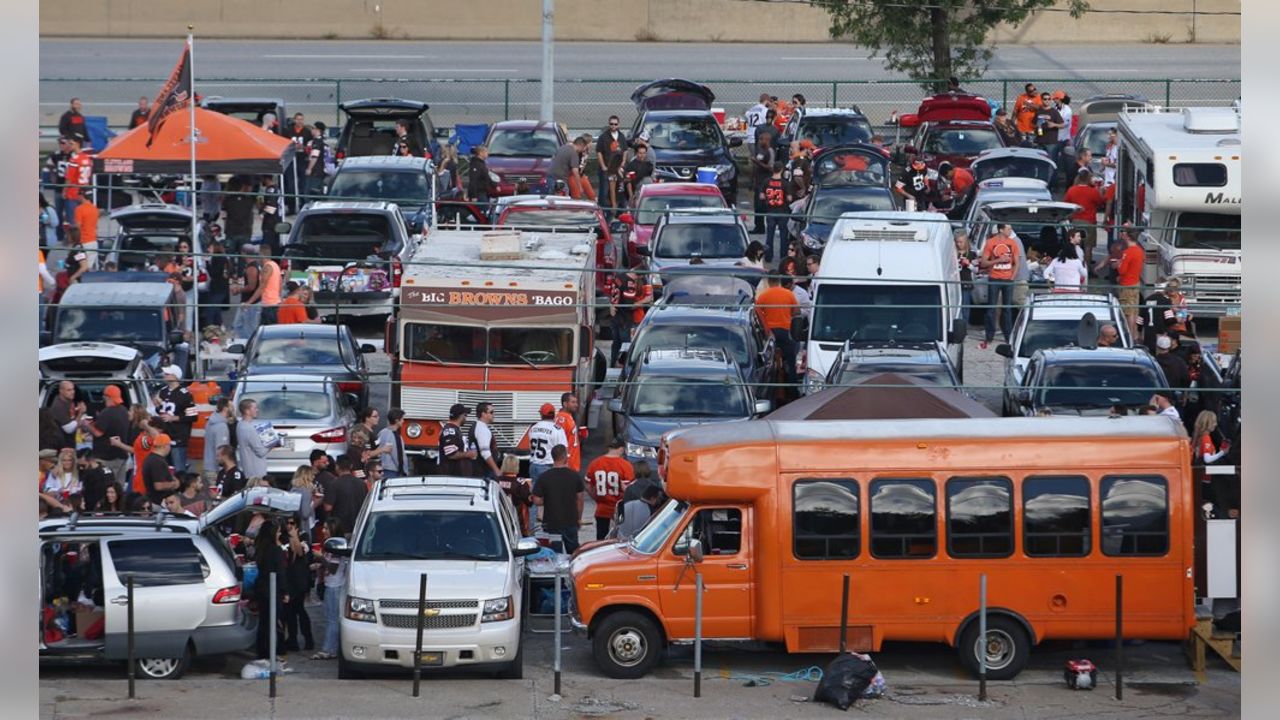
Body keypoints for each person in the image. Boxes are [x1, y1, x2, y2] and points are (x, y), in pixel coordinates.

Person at [531, 445, 585, 554]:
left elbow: (536, 500)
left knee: (553, 554)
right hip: (570, 521)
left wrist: (549, 500)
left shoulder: (544, 477)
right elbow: (580, 499)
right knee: (574, 553)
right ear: (566, 457)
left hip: (551, 523)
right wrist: (578, 518)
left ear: (552, 457)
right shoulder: (574, 476)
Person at [979, 223, 1021, 349]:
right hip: (994, 278)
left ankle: (1008, 336)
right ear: (1001, 230)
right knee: (991, 307)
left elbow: (1017, 262)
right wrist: (998, 260)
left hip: (1008, 279)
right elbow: (984, 262)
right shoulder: (990, 242)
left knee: (1007, 309)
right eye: (1008, 229)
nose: (1010, 231)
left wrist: (1012, 277)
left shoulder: (1013, 243)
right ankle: (989, 335)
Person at [585, 438, 635, 541]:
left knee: (600, 540)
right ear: (621, 449)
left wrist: (596, 498)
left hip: (601, 508)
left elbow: (588, 485)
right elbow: (629, 489)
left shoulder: (595, 463)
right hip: (619, 509)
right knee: (618, 540)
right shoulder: (625, 465)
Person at [252, 518, 288, 663]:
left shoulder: (261, 549)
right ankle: (272, 652)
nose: (279, 535)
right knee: (273, 623)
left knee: (264, 623)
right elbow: (280, 572)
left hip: (262, 589)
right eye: (278, 532)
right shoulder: (275, 550)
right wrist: (285, 591)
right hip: (272, 590)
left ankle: (263, 652)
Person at [312, 516, 347, 660]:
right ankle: (332, 648)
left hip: (335, 586)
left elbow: (333, 568)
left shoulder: (336, 548)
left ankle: (328, 649)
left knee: (333, 619)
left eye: (326, 528)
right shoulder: (331, 546)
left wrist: (320, 557)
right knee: (330, 618)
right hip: (330, 585)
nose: (324, 531)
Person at [756, 274, 800, 385]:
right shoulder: (789, 294)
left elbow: (757, 312)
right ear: (779, 281)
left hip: (770, 333)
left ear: (769, 282)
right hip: (786, 331)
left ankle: (774, 386)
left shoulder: (763, 296)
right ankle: (792, 388)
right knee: (791, 360)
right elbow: (797, 312)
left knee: (770, 362)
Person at [281, 516, 316, 652]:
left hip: (300, 580)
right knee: (289, 611)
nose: (289, 525)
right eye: (287, 523)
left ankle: (308, 639)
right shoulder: (283, 537)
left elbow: (299, 552)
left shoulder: (304, 536)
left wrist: (294, 536)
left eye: (292, 523)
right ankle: (293, 640)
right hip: (289, 579)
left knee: (300, 610)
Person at [153, 365, 196, 474]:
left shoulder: (185, 394)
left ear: (175, 376)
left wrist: (174, 418)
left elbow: (193, 416)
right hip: (164, 436)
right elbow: (161, 412)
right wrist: (158, 406)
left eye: (167, 374)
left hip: (178, 437)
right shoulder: (162, 391)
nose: (164, 375)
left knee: (178, 469)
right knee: (164, 468)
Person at [84, 385, 131, 480]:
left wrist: (86, 425)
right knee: (118, 488)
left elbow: (98, 433)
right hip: (121, 456)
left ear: (107, 397)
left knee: (106, 486)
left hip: (107, 457)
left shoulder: (107, 412)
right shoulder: (124, 410)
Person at [1064, 169, 1104, 264]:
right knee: (1088, 247)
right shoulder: (1092, 191)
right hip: (1089, 222)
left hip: (1075, 221)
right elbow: (1101, 202)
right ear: (1088, 179)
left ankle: (1073, 264)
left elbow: (1066, 203)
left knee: (1074, 245)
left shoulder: (1071, 190)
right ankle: (1086, 268)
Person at [1115, 224, 1145, 339]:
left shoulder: (1127, 252)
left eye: (1124, 233)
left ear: (1127, 236)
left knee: (1128, 312)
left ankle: (1129, 335)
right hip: (1135, 282)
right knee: (1134, 310)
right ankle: (1135, 334)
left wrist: (1118, 264)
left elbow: (1122, 270)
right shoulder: (1139, 251)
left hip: (1126, 284)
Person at [325, 455, 368, 534]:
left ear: (337, 467)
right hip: (359, 527)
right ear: (351, 466)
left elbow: (328, 507)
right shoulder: (362, 484)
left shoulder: (334, 484)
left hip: (341, 529)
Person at [527, 403, 567, 485]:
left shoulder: (533, 428)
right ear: (554, 414)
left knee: (535, 493)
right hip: (548, 466)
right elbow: (563, 451)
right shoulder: (558, 429)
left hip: (533, 465)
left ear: (541, 414)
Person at [609, 266, 641, 367]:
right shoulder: (630, 284)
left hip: (615, 317)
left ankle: (612, 364)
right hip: (624, 319)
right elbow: (629, 306)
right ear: (638, 276)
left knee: (616, 344)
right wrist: (645, 301)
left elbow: (613, 295)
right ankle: (625, 367)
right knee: (625, 346)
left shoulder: (618, 277)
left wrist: (611, 305)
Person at [596, 115, 628, 209]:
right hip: (607, 168)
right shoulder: (603, 137)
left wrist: (623, 162)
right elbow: (599, 152)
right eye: (611, 124)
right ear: (609, 124)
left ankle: (617, 210)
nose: (613, 126)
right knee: (604, 191)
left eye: (615, 124)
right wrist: (603, 166)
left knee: (619, 189)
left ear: (618, 125)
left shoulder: (621, 136)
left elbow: (625, 150)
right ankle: (603, 210)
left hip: (617, 169)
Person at [236, 398, 272, 482]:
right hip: (256, 472)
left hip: (248, 469)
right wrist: (273, 444)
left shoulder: (240, 424)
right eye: (255, 408)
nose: (257, 410)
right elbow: (261, 452)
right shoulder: (249, 429)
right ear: (247, 411)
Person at [762, 162, 791, 263]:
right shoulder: (785, 183)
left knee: (769, 236)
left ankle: (768, 257)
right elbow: (789, 198)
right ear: (782, 170)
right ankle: (783, 257)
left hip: (770, 211)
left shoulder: (766, 182)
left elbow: (761, 196)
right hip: (783, 212)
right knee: (783, 236)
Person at [549, 136, 593, 200]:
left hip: (550, 176)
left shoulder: (563, 147)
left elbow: (553, 159)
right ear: (581, 145)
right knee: (564, 199)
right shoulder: (574, 153)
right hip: (561, 178)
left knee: (553, 198)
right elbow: (575, 171)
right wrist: (579, 186)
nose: (582, 150)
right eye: (583, 147)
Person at [141, 434, 180, 505]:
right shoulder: (157, 461)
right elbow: (158, 486)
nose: (170, 448)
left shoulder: (152, 458)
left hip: (155, 500)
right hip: (159, 502)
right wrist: (174, 484)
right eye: (169, 445)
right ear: (164, 446)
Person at [438, 404, 476, 476]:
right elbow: (451, 454)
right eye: (465, 415)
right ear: (460, 416)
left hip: (456, 475)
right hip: (452, 476)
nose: (466, 418)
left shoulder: (454, 429)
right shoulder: (450, 431)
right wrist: (469, 454)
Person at [750, 131, 776, 234]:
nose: (760, 141)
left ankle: (766, 227)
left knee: (763, 206)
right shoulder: (760, 151)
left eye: (762, 139)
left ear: (767, 140)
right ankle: (758, 226)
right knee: (757, 206)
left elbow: (771, 168)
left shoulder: (770, 151)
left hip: (765, 183)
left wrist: (757, 162)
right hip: (758, 182)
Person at [471, 402, 501, 480]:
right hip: (484, 472)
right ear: (483, 414)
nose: (493, 415)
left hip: (480, 470)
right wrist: (496, 470)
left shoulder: (478, 426)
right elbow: (485, 453)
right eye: (491, 412)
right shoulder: (482, 429)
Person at [1032, 91, 1065, 164]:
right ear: (1041, 100)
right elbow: (1033, 124)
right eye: (1045, 99)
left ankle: (1052, 176)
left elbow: (1062, 125)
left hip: (1051, 143)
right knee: (1039, 163)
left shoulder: (1054, 112)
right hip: (1040, 141)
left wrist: (1054, 125)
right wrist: (1037, 126)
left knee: (1051, 163)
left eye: (1049, 99)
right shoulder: (1038, 111)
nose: (1047, 101)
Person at [376, 408, 409, 479]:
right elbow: (397, 455)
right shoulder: (395, 435)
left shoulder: (382, 432)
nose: (403, 421)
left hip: (382, 469)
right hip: (393, 471)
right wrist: (403, 471)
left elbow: (377, 446)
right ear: (397, 420)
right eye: (402, 419)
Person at [555, 393, 583, 472]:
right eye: (573, 402)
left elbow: (569, 437)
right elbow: (559, 442)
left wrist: (579, 436)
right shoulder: (562, 419)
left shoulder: (568, 416)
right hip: (568, 463)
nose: (576, 405)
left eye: (576, 402)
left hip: (573, 462)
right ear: (565, 404)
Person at [73, 195, 100, 270]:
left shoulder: (79, 209)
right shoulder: (95, 209)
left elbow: (78, 226)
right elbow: (95, 225)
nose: (77, 197)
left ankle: (75, 279)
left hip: (83, 243)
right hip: (93, 242)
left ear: (82, 196)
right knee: (89, 267)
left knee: (79, 266)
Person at [955, 231, 977, 320]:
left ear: (966, 242)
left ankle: (964, 327)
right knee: (956, 306)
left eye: (961, 242)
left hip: (966, 283)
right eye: (957, 242)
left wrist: (968, 264)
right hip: (954, 283)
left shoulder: (971, 254)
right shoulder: (952, 253)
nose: (959, 244)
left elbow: (976, 270)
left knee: (965, 306)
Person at [303, 122, 328, 200]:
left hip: (315, 171)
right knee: (319, 192)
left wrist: (309, 168)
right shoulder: (323, 141)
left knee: (309, 192)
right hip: (321, 170)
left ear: (317, 130)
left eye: (313, 128)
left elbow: (314, 156)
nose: (311, 130)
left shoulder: (317, 142)